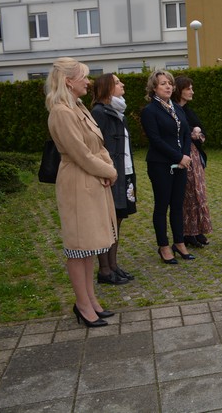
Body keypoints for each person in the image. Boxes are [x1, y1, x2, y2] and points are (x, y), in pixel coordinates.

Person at [45, 57, 117, 327]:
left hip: (92, 180)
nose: (88, 81)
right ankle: (82, 305)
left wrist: (106, 168)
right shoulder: (61, 112)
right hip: (77, 184)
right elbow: (80, 154)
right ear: (68, 81)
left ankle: (90, 300)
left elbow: (97, 145)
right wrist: (109, 172)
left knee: (89, 246)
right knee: (78, 247)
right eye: (83, 77)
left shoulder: (78, 107)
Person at [140, 69, 194, 264]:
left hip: (181, 164)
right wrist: (178, 156)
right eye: (163, 83)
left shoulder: (177, 108)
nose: (168, 86)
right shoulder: (150, 111)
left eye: (170, 83)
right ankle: (163, 245)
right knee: (162, 206)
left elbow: (186, 133)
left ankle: (179, 242)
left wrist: (185, 156)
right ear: (154, 88)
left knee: (178, 205)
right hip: (160, 165)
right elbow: (155, 140)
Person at [91, 73, 136, 286]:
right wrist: (106, 171)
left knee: (117, 219)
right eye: (117, 82)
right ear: (107, 87)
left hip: (124, 172)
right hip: (111, 174)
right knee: (107, 221)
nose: (122, 84)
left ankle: (113, 265)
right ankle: (105, 270)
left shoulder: (118, 112)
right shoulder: (99, 112)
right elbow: (97, 146)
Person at [173, 76, 213, 248]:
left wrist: (198, 133)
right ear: (179, 90)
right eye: (188, 88)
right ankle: (188, 232)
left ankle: (197, 230)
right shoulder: (174, 110)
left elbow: (201, 130)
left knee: (198, 193)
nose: (192, 92)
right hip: (182, 156)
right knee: (188, 194)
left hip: (195, 156)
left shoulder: (188, 110)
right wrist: (191, 132)